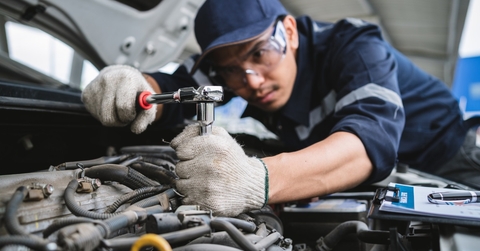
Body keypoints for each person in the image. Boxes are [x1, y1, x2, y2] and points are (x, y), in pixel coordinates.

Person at [82, 0, 479, 217]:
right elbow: (176, 88)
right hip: (376, 183)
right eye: (232, 70)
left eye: (260, 52)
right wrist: (136, 86)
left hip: (447, 159)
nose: (251, 80)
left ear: (288, 32)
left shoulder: (355, 47)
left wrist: (258, 180)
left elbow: (370, 140)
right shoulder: (234, 71)